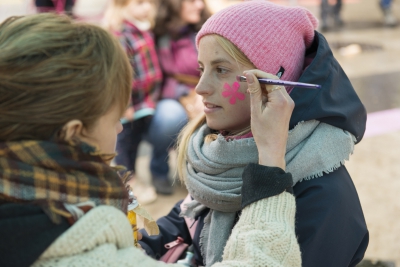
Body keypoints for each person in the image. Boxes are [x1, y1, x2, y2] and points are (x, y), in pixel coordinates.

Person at [0, 12, 300, 267]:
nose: (119, 128)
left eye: (221, 69)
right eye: (113, 116)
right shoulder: (74, 251)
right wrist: (271, 161)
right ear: (74, 134)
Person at [139, 1, 369, 267]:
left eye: (221, 70)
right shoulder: (219, 158)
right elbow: (183, 221)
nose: (200, 87)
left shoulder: (323, 198)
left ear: (274, 83)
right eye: (202, 69)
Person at [103, 0, 187, 198]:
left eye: (149, 2)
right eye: (140, 2)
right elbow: (121, 74)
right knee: (125, 145)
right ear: (122, 6)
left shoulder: (145, 29)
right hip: (132, 104)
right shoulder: (122, 34)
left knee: (138, 141)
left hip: (147, 102)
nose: (147, 7)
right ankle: (128, 182)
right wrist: (126, 104)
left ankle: (139, 179)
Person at [153, 0, 211, 120]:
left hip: (206, 92)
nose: (200, 5)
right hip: (175, 99)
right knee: (168, 116)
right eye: (192, 1)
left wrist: (205, 93)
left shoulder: (205, 31)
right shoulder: (158, 35)